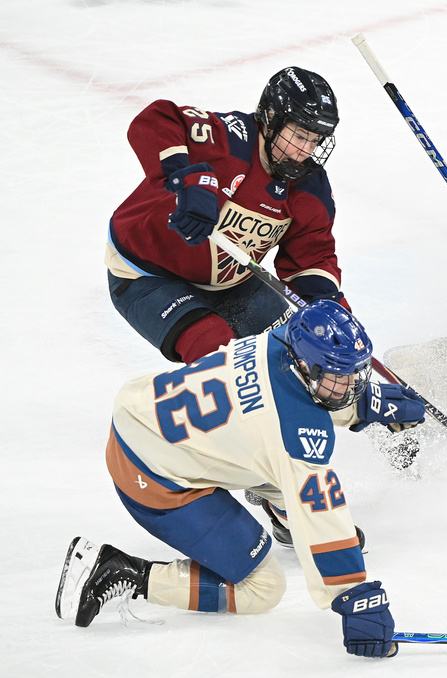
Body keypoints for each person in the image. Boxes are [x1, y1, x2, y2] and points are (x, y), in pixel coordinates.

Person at [55, 301, 425, 659]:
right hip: (151, 474)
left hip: (143, 412)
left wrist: (365, 404)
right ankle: (123, 572)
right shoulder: (295, 433)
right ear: (306, 365)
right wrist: (354, 597)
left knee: (267, 455)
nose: (351, 384)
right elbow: (322, 513)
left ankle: (281, 512)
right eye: (338, 375)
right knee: (263, 589)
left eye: (355, 373)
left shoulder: (278, 339)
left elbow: (287, 399)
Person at [106, 66, 352, 365]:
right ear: (272, 118)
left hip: (234, 283)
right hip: (147, 273)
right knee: (220, 354)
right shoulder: (229, 139)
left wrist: (328, 305)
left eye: (315, 140)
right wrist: (188, 180)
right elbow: (156, 119)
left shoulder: (310, 188)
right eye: (300, 135)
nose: (305, 150)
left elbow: (311, 257)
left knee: (295, 353)